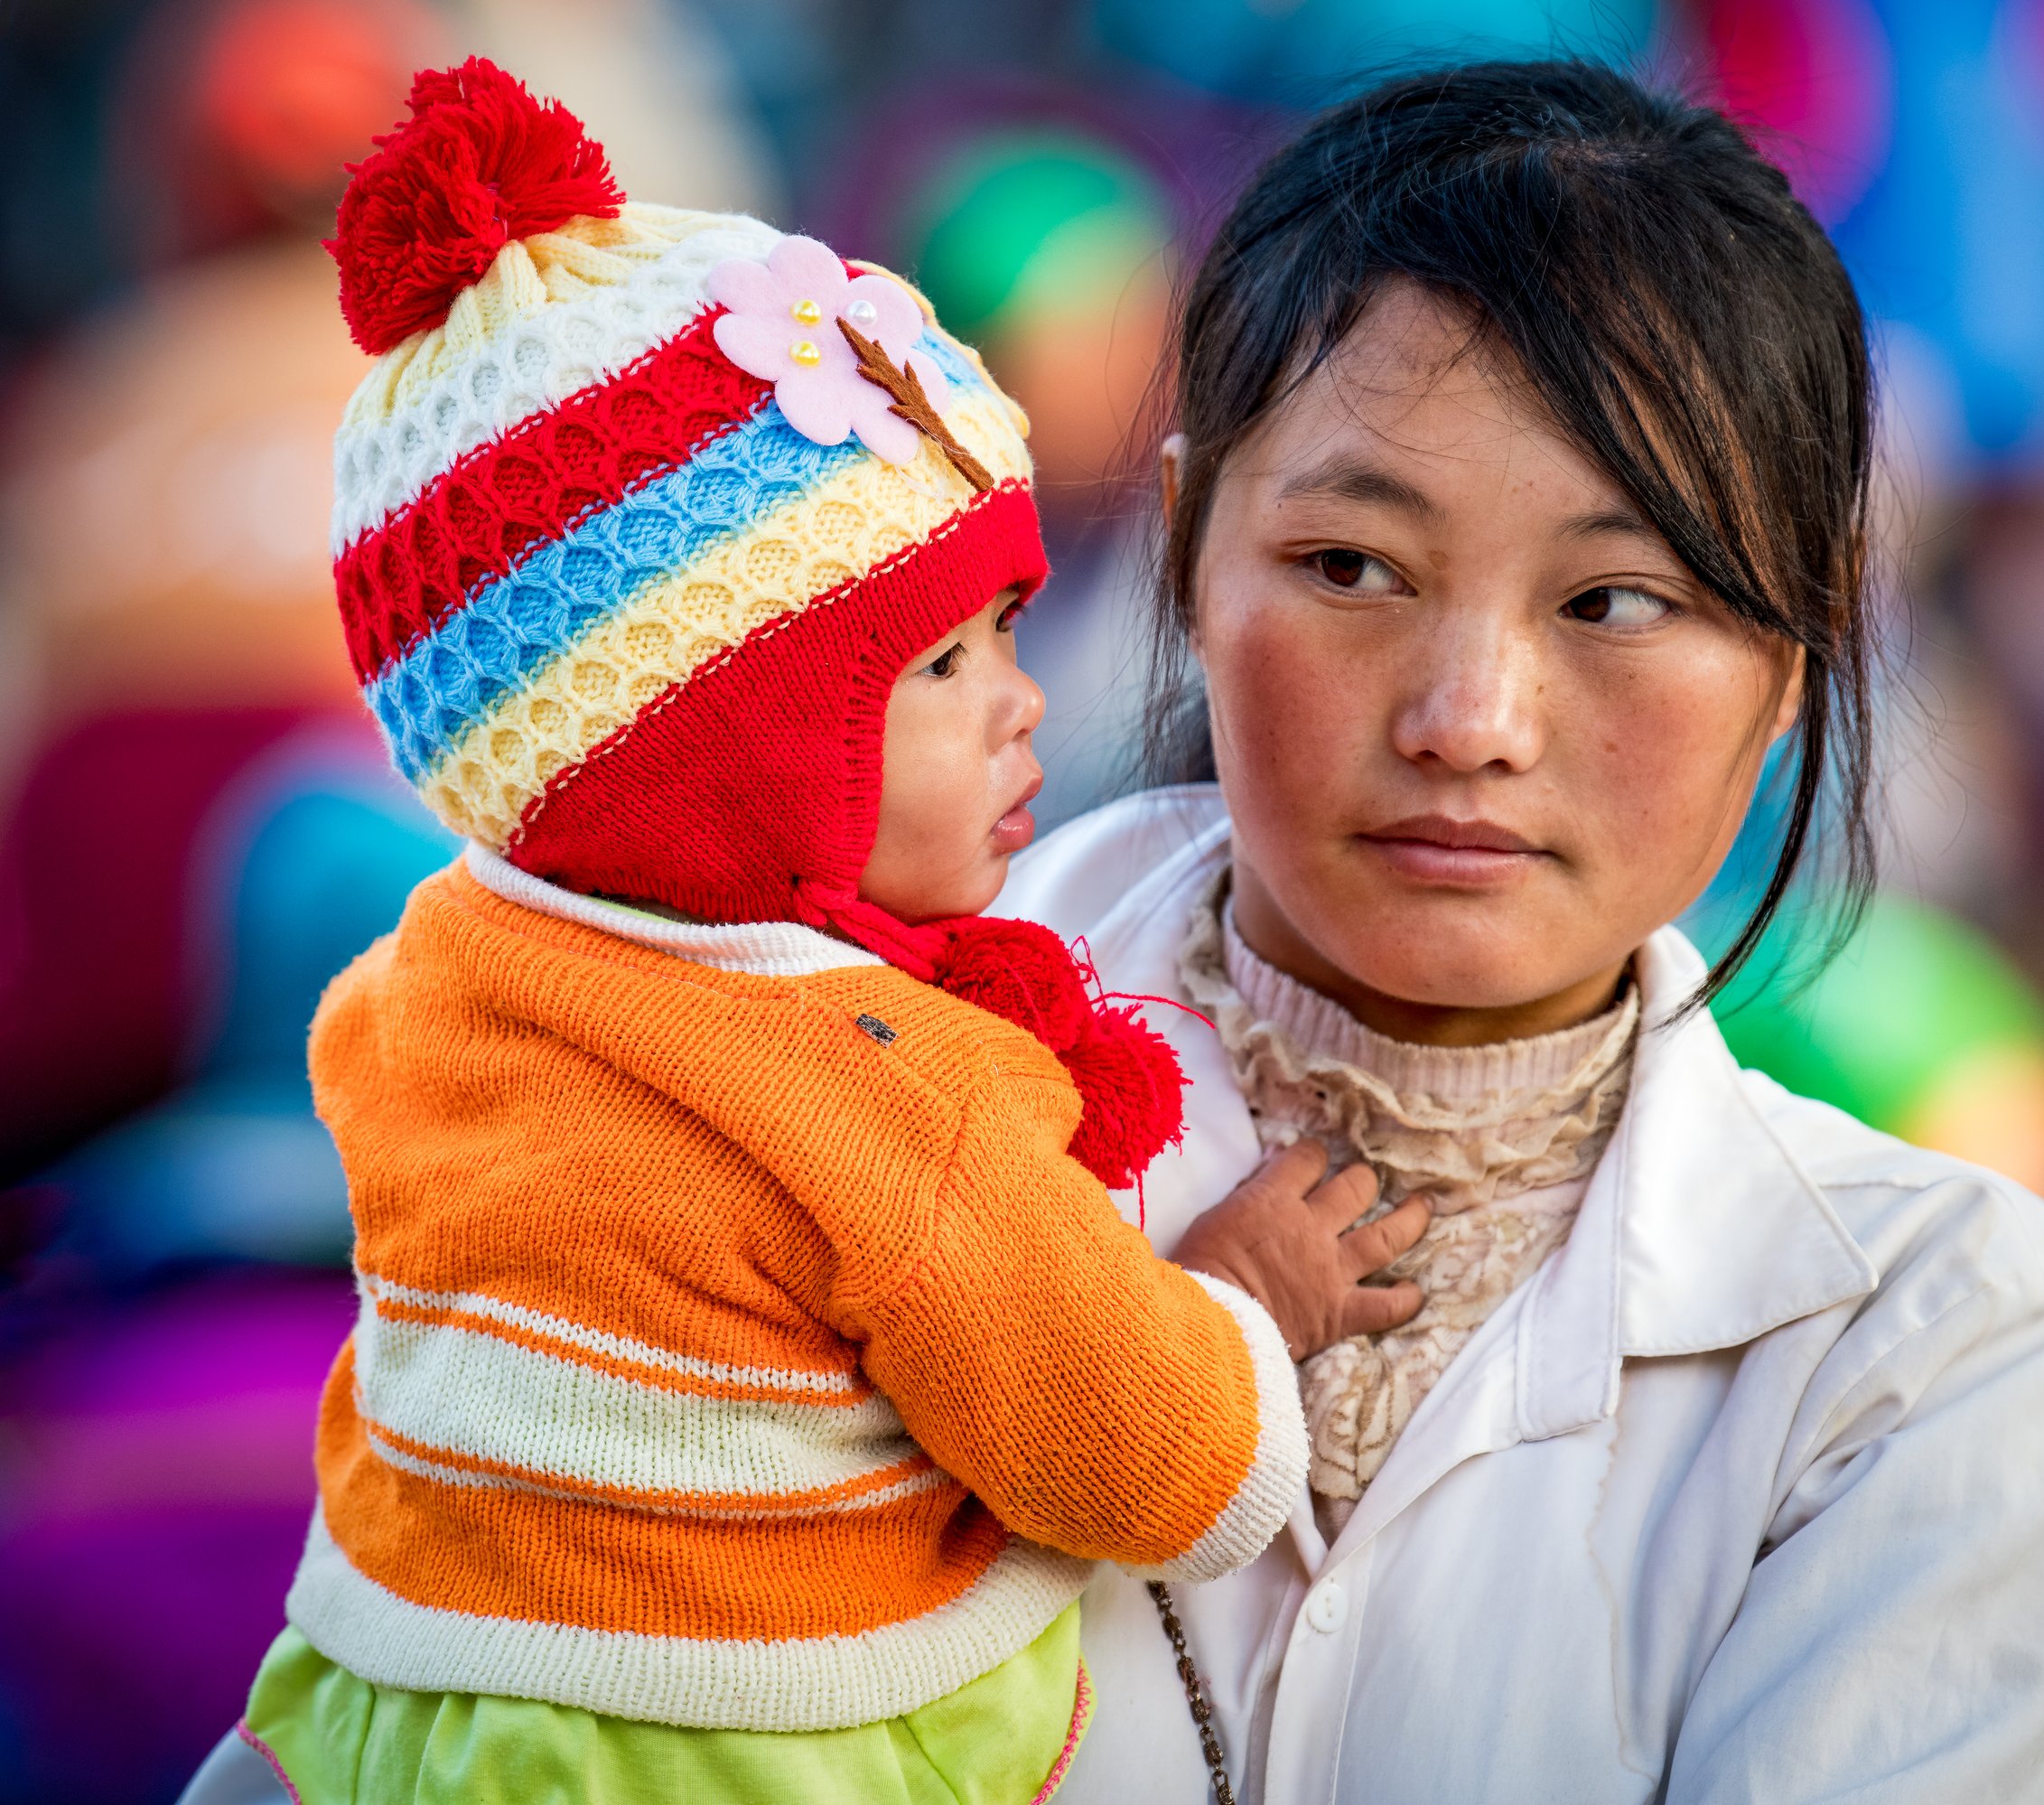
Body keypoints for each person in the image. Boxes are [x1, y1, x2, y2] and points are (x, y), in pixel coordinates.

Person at [187, 59, 1432, 1805]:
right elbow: (1151, 1462)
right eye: (937, 664)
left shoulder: (429, 979)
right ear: (708, 756)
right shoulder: (877, 1092)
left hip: (395, 1702)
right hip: (736, 1742)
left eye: (1009, 629)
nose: (1015, 710)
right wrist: (1241, 1295)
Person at [1000, 61, 2044, 1803]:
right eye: (1355, 567)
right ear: (1184, 555)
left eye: (1616, 601)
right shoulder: (830, 1085)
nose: (1472, 719)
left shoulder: (1931, 1340)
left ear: (1787, 667)